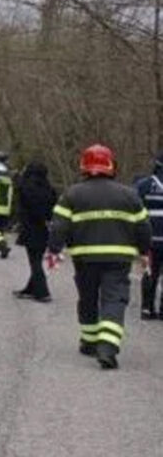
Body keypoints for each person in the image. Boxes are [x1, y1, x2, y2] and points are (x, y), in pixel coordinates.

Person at [47, 144, 152, 369]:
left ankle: (89, 341)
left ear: (84, 167)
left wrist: (54, 250)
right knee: (114, 299)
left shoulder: (72, 194)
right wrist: (144, 252)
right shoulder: (129, 194)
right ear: (111, 166)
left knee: (88, 298)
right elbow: (144, 227)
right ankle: (108, 346)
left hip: (84, 259)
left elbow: (59, 226)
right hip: (119, 259)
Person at [13, 159, 57, 302]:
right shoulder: (49, 188)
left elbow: (22, 206)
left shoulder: (26, 186)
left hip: (30, 226)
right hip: (45, 227)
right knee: (37, 258)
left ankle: (42, 291)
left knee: (35, 261)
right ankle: (30, 288)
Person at [133, 150, 163, 320]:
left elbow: (136, 209)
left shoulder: (144, 184)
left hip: (150, 238)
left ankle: (147, 308)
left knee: (150, 271)